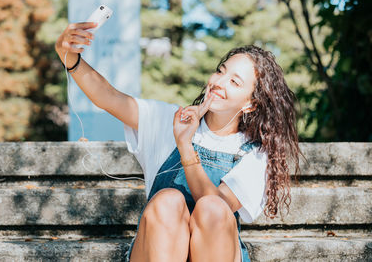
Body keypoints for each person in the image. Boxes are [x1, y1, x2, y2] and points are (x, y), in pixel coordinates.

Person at [55, 22, 300, 262]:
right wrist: (70, 58)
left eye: (235, 82)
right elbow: (109, 97)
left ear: (250, 104)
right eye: (221, 71)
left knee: (212, 209)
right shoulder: (169, 120)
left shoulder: (254, 154)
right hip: (157, 250)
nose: (219, 83)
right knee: (168, 200)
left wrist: (185, 146)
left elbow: (215, 205)